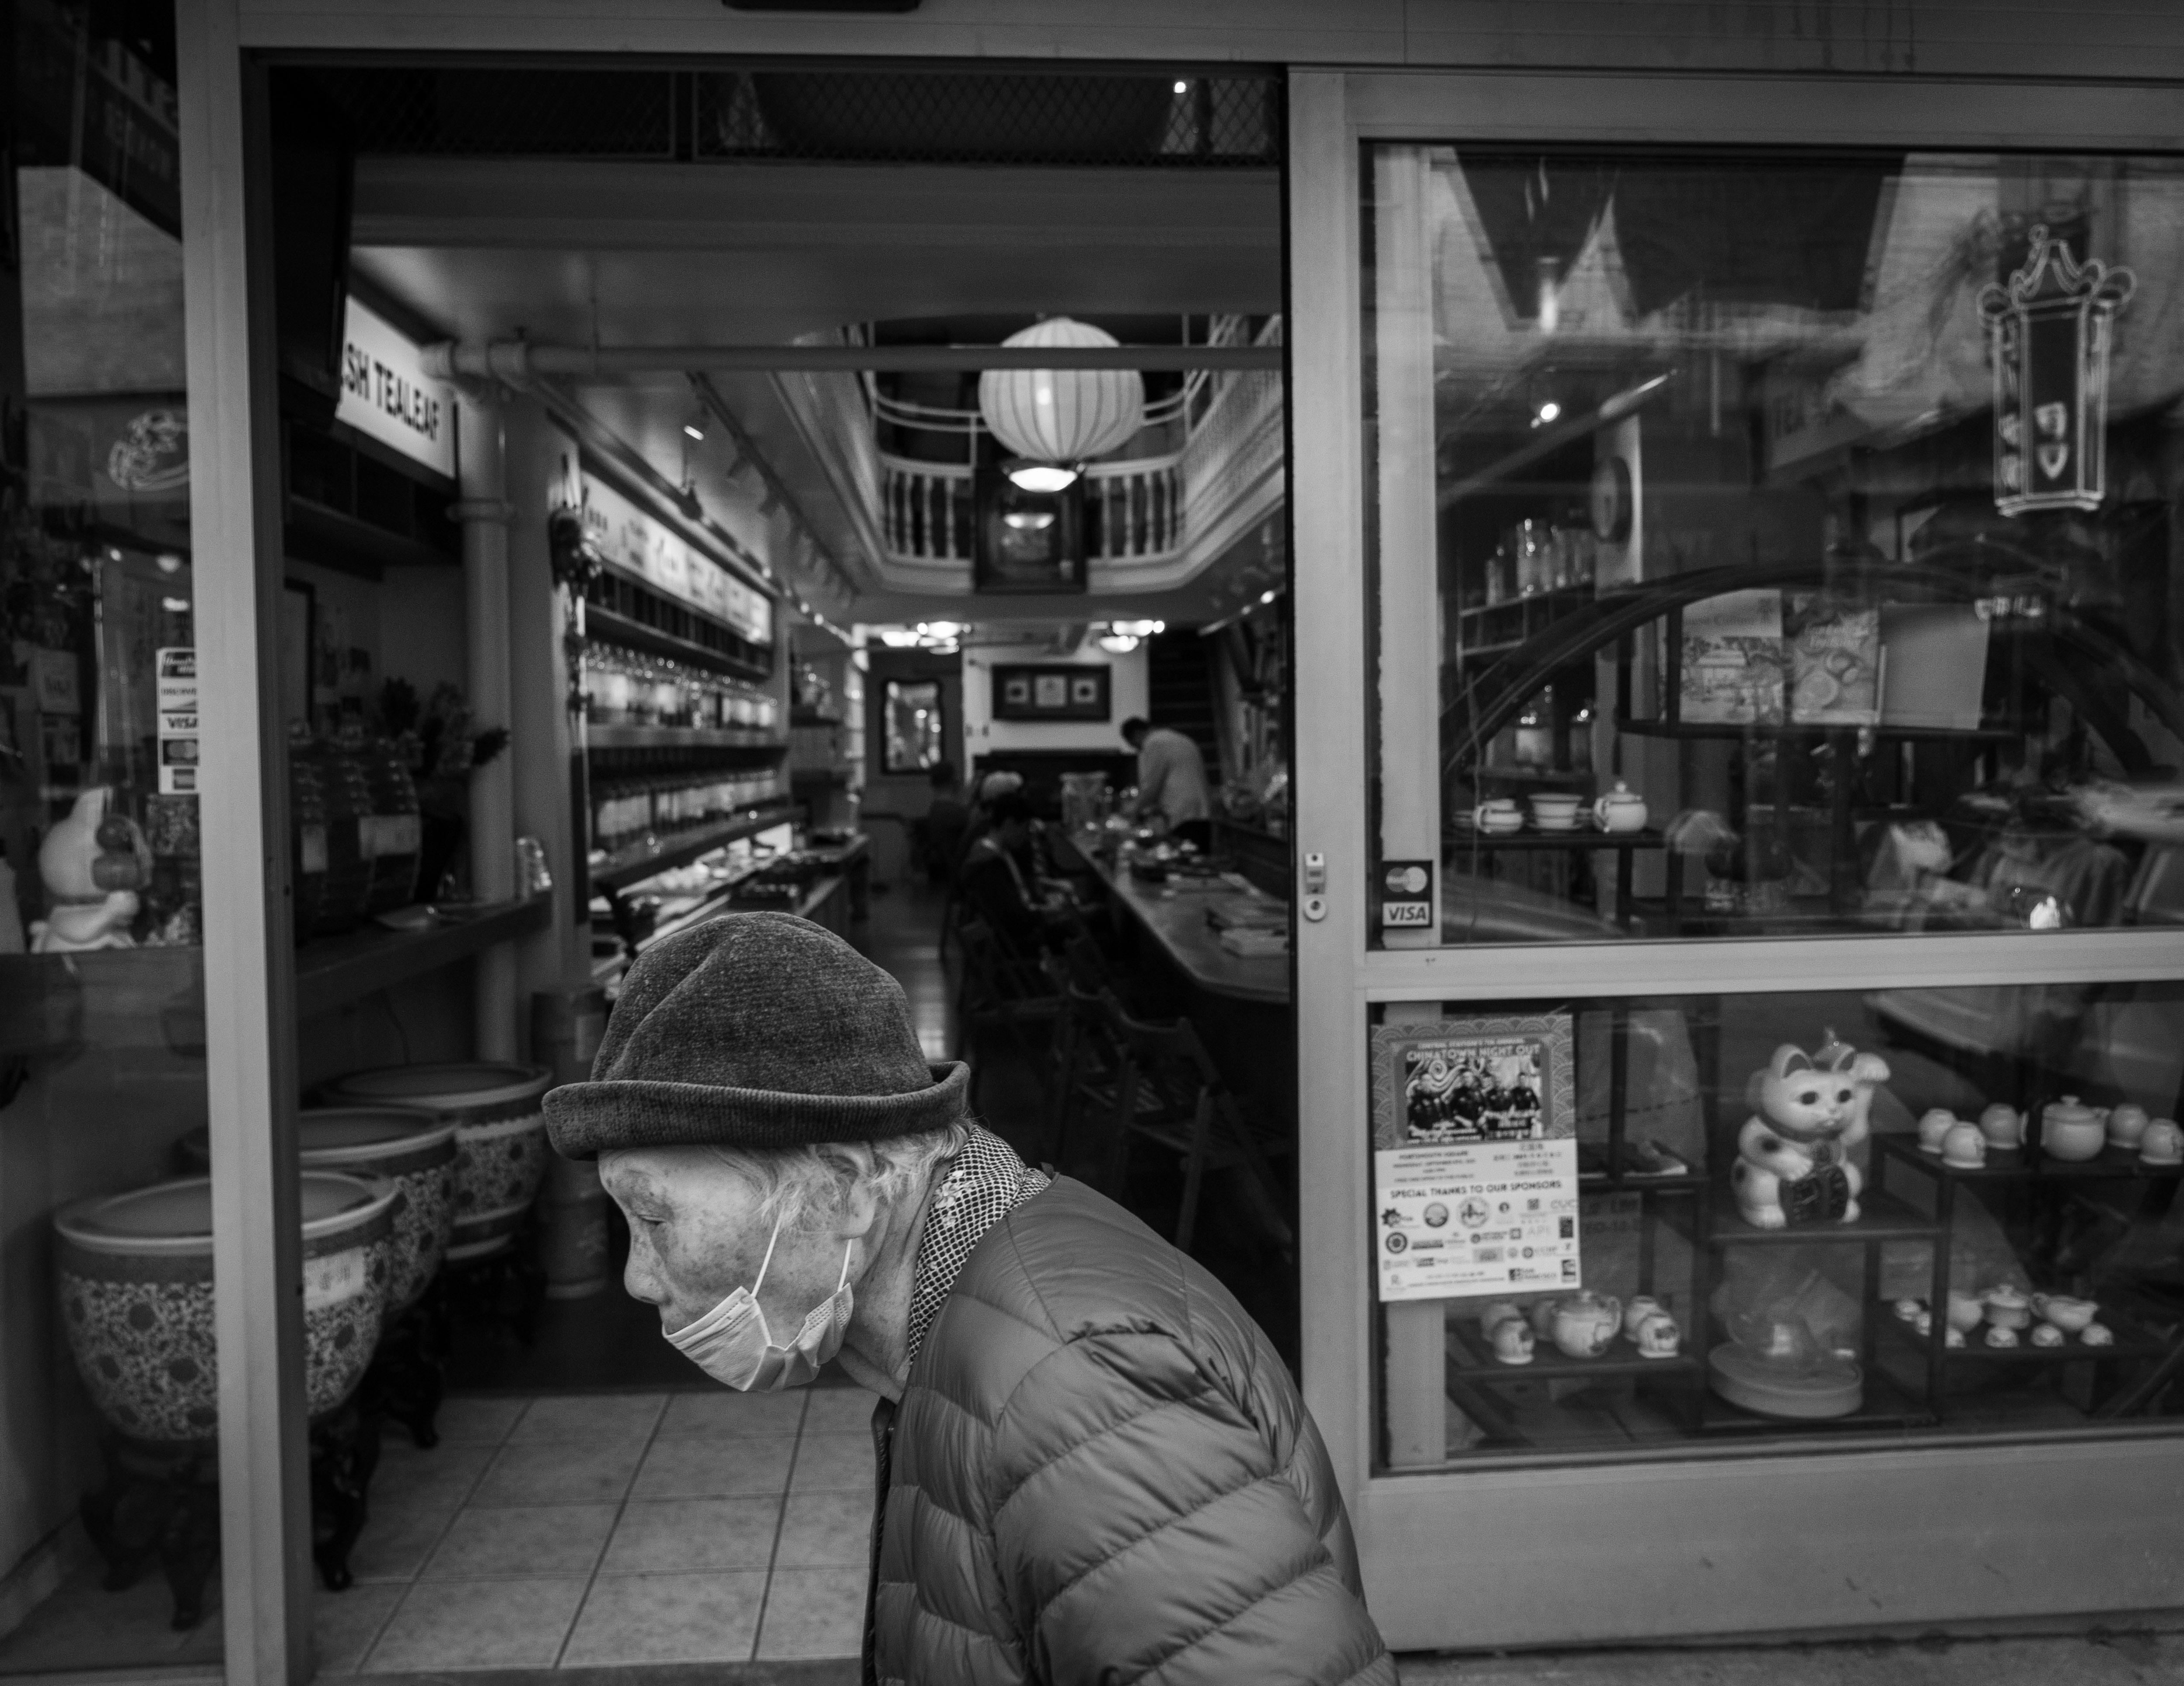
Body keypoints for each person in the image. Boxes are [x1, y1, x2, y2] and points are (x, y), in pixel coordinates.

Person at [543, 914, 1393, 1686]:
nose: (638, 1277)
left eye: (654, 1216)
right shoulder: (966, 1314)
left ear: (844, 1188)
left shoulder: (1080, 1383)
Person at [956, 790, 1071, 953]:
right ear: (1009, 823)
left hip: (1017, 929)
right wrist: (1051, 912)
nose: (1025, 837)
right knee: (1084, 924)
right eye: (1024, 829)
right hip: (1017, 940)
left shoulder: (992, 850)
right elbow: (1014, 918)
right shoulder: (989, 864)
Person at [1121, 715, 1212, 850]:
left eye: (1136, 746)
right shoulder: (1178, 738)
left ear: (1138, 734)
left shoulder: (1154, 743)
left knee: (1182, 863)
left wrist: (1133, 814)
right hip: (1202, 811)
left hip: (1182, 814)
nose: (1139, 750)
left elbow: (1150, 787)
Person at [920, 760, 969, 883]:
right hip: (957, 874)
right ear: (954, 780)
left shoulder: (937, 808)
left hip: (945, 874)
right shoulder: (953, 812)